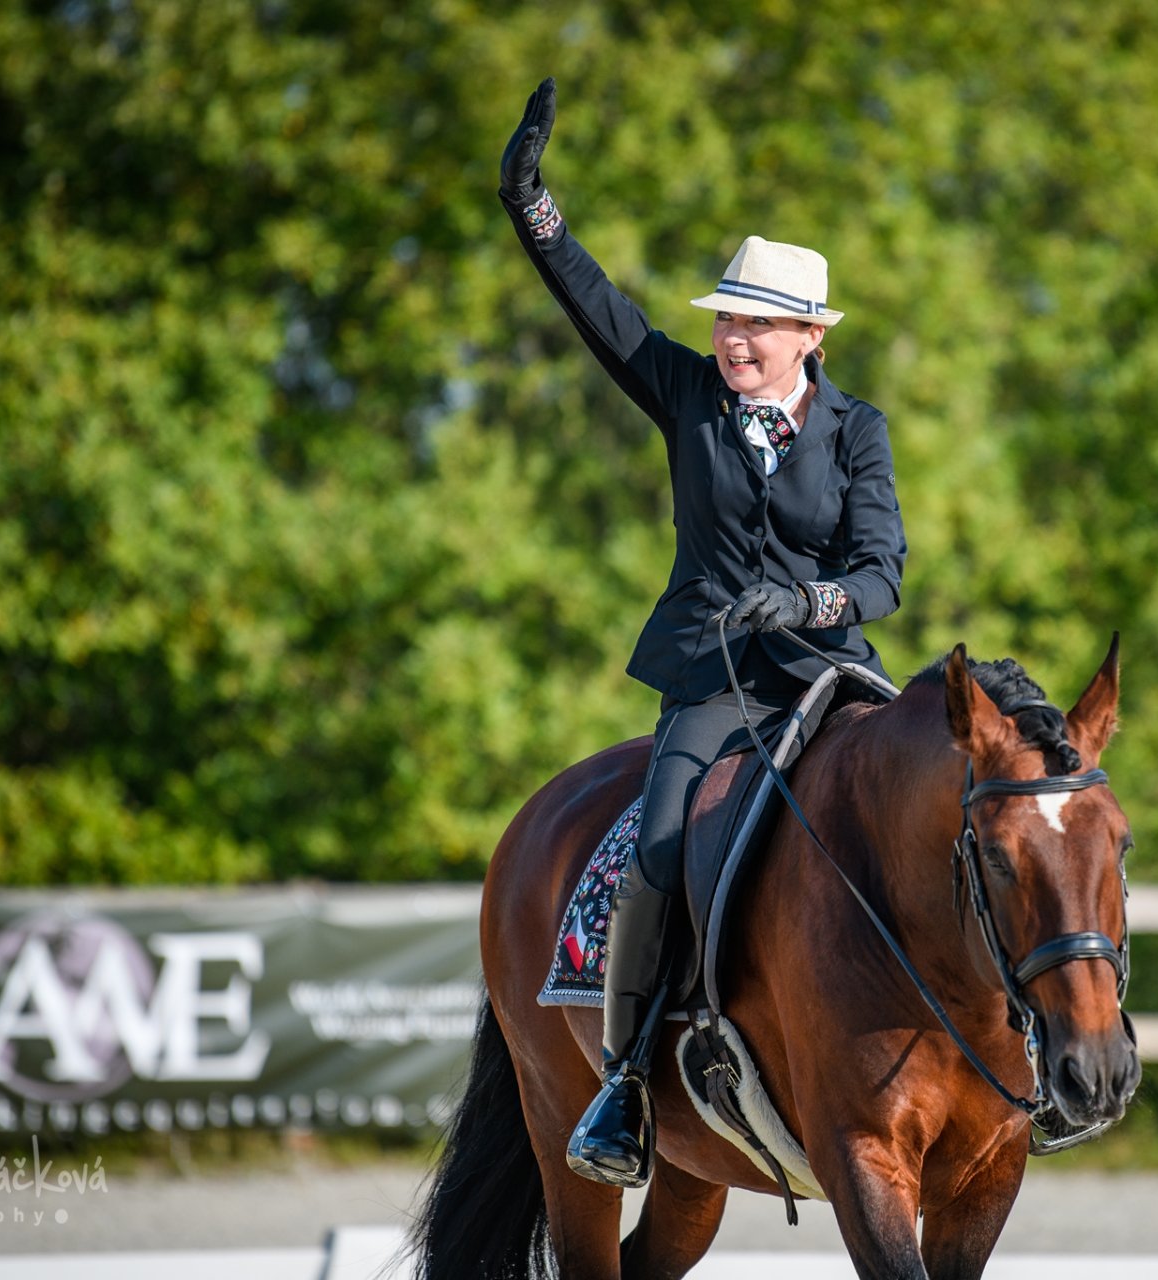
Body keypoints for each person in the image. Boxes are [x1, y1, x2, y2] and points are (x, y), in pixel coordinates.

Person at [498, 78, 907, 1188]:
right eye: (727, 317)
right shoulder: (687, 397)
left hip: (828, 671)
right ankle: (625, 1081)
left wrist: (811, 605)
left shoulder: (858, 432)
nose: (732, 337)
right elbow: (603, 311)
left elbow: (882, 573)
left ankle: (991, 1051)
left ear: (809, 337)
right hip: (717, 682)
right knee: (665, 848)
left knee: (936, 811)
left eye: (757, 323)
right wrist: (534, 209)